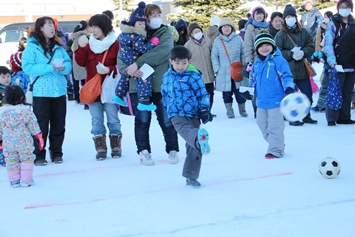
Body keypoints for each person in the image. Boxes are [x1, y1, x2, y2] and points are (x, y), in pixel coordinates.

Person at [118, 3, 179, 166]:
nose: (157, 18)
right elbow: (121, 56)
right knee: (142, 120)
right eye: (153, 15)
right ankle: (143, 151)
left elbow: (162, 52)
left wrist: (137, 63)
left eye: (159, 15)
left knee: (166, 119)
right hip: (137, 84)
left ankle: (173, 149)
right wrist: (128, 70)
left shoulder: (165, 32)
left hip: (160, 84)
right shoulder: (132, 33)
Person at [22, 16, 72, 166]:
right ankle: (39, 155)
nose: (52, 28)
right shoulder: (32, 47)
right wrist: (49, 68)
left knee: (59, 124)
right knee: (41, 126)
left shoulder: (58, 46)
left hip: (59, 91)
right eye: (49, 25)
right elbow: (28, 67)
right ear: (40, 28)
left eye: (53, 25)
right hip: (41, 93)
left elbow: (68, 63)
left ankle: (57, 153)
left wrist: (64, 68)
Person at [161, 46, 213, 187]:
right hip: (176, 114)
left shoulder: (193, 76)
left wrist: (204, 109)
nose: (180, 66)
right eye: (177, 63)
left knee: (194, 147)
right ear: (171, 61)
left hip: (193, 113)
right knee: (184, 130)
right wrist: (166, 110)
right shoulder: (167, 77)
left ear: (189, 61)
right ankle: (198, 137)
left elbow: (203, 94)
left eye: (184, 63)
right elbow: (165, 95)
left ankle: (191, 176)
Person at [75, 14, 122, 160]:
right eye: (91, 27)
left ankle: (116, 145)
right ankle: (100, 147)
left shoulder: (115, 43)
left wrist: (109, 69)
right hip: (93, 88)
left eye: (96, 26)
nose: (93, 30)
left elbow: (121, 65)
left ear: (104, 27)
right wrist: (81, 48)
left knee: (113, 118)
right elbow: (80, 62)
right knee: (96, 119)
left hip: (109, 87)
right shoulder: (89, 44)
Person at [244, 30, 295, 159]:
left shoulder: (278, 60)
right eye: (261, 46)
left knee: (275, 127)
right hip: (261, 101)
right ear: (257, 48)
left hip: (277, 101)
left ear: (272, 46)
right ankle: (276, 144)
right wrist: (249, 91)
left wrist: (288, 87)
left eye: (267, 44)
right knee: (262, 124)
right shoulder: (257, 63)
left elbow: (286, 76)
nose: (264, 48)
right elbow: (253, 79)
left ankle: (275, 150)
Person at [275, 4, 317, 126]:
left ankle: (306, 116)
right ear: (284, 19)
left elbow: (311, 45)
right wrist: (290, 54)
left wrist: (304, 52)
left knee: (307, 94)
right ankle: (291, 117)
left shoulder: (304, 32)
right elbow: (277, 51)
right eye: (288, 16)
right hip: (288, 71)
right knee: (290, 96)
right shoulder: (281, 34)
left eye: (292, 16)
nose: (290, 18)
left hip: (302, 70)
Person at [112, 2, 159, 111]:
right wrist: (152, 43)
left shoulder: (123, 34)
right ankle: (143, 101)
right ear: (133, 24)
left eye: (143, 24)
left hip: (126, 59)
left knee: (125, 76)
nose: (142, 26)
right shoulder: (137, 35)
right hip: (134, 59)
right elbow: (141, 49)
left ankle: (118, 95)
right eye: (140, 24)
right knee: (144, 78)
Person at [0, 85, 44, 187]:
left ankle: (14, 180)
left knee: (11, 160)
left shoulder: (2, 112)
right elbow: (33, 125)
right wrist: (38, 136)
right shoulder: (26, 111)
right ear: (21, 97)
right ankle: (26, 180)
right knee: (27, 159)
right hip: (24, 142)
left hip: (8, 143)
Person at [323, 0, 355, 126]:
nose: (345, 9)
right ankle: (332, 118)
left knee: (347, 92)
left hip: (351, 64)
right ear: (338, 8)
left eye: (347, 7)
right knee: (335, 91)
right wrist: (332, 62)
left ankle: (344, 116)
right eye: (342, 7)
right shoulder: (333, 24)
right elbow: (328, 44)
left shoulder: (353, 24)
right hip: (338, 64)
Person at [211, 17, 248, 119]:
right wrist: (217, 69)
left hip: (237, 71)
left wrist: (244, 65)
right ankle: (229, 111)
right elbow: (214, 56)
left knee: (240, 92)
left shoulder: (238, 39)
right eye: (224, 27)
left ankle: (242, 110)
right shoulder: (217, 41)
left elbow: (243, 53)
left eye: (228, 27)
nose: (226, 29)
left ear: (232, 28)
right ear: (221, 29)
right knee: (226, 94)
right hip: (224, 71)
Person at [184, 22, 215, 115]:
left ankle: (208, 111)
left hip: (209, 73)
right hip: (197, 76)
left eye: (199, 31)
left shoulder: (208, 41)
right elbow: (186, 60)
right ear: (191, 34)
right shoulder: (188, 45)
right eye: (195, 32)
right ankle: (200, 110)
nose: (198, 33)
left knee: (210, 94)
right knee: (199, 94)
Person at [312, 11, 333, 112]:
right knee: (324, 82)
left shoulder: (335, 28)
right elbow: (317, 39)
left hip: (334, 58)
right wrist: (317, 52)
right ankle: (321, 105)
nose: (326, 19)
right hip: (325, 56)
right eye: (325, 17)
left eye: (328, 17)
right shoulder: (321, 27)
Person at [70, 20, 89, 109]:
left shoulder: (75, 37)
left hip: (76, 61)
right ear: (86, 28)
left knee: (78, 81)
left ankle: (78, 98)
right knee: (86, 83)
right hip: (83, 62)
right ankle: (86, 101)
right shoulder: (83, 37)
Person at [0, 66, 12, 167]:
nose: (6, 79)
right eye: (3, 77)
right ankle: (2, 157)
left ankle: (11, 156)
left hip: (11, 120)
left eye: (8, 76)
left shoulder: (13, 89)